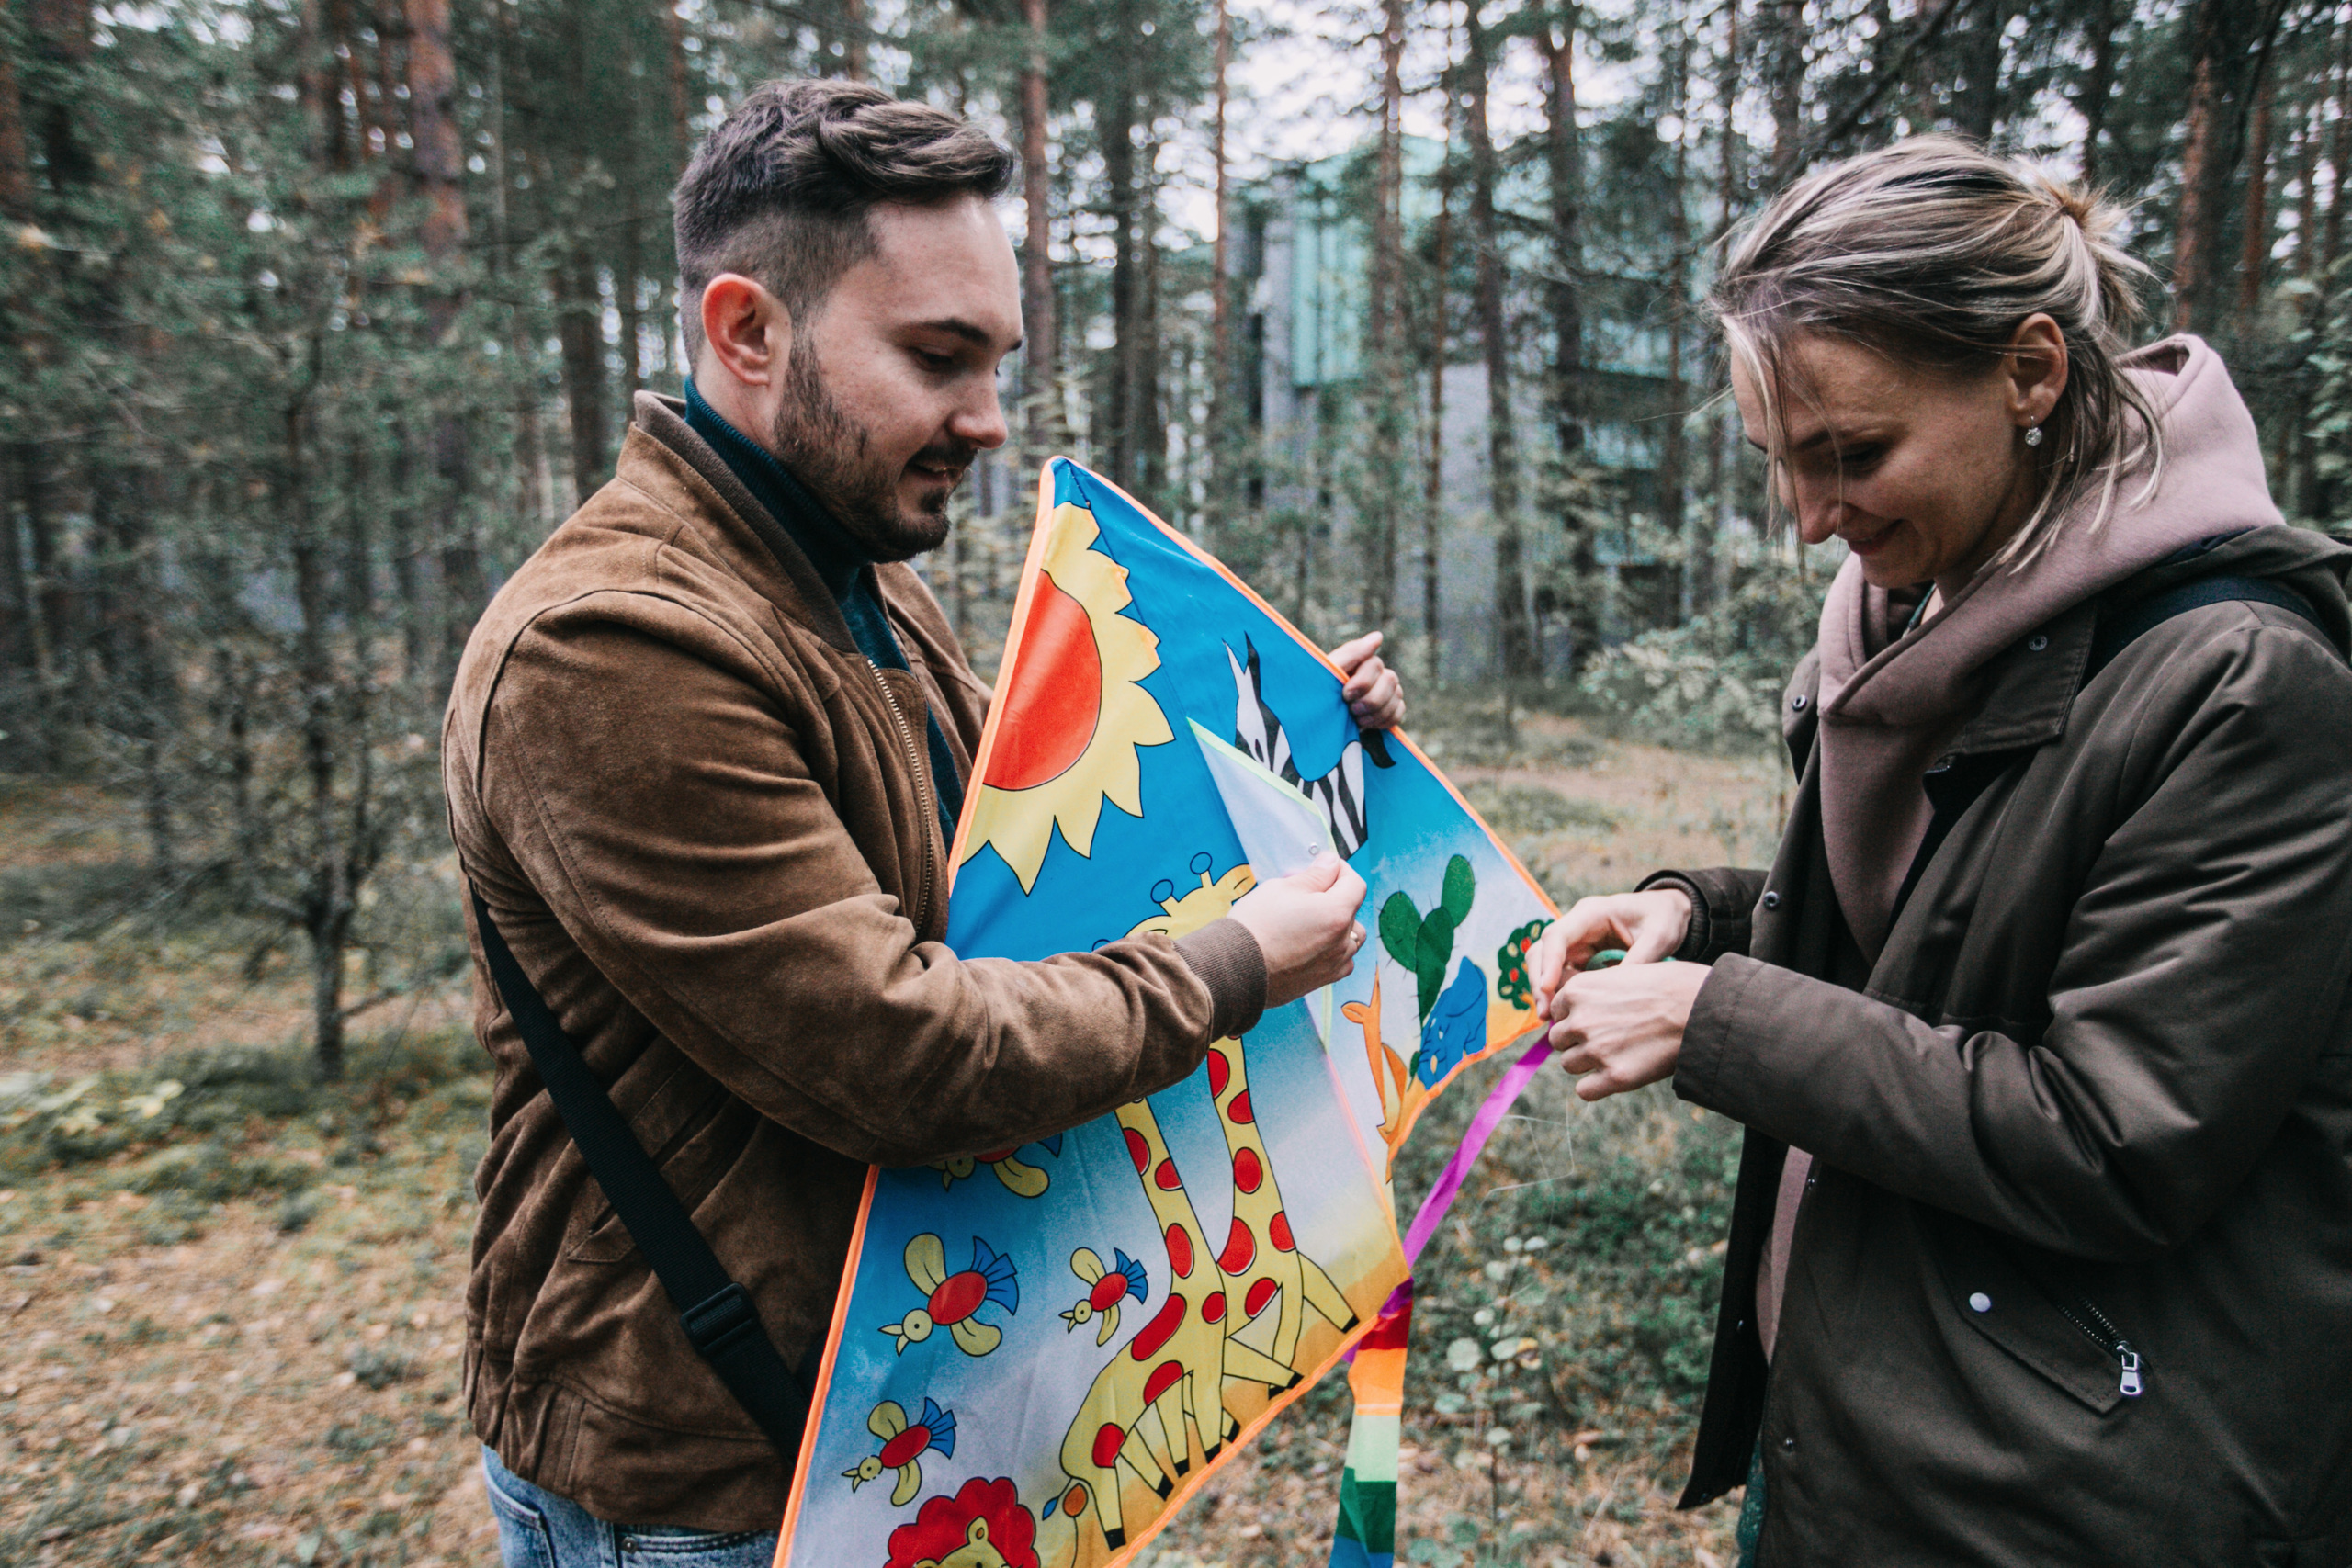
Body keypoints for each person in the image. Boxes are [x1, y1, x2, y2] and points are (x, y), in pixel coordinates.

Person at [441, 80, 1405, 1566]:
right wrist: (1229, 969)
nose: (991, 421)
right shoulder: (609, 650)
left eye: (997, 362)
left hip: (898, 1428)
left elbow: (1021, 874)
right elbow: (901, 1050)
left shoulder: (864, 577)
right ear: (745, 332)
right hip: (708, 1486)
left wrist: (1284, 724)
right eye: (938, 358)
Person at [1531, 137, 2352, 1566]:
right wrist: (1702, 922)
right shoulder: (1933, 603)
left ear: (2032, 372)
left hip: (2053, 1500)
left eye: (1852, 454)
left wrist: (1718, 1018)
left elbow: (2111, 1137)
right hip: (1863, 1431)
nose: (1810, 521)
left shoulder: (2243, 680)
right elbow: (1941, 929)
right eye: (1784, 463)